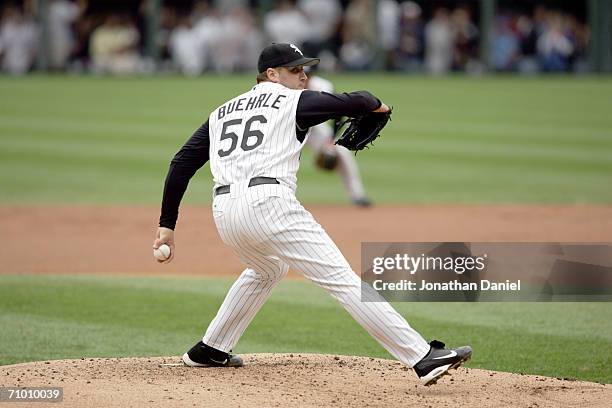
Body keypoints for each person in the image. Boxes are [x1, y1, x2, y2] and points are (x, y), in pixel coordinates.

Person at [153, 43, 472, 386]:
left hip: (225, 212)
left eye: (305, 68)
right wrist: (381, 107)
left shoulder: (222, 112)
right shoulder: (293, 101)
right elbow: (362, 100)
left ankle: (211, 348)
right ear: (271, 75)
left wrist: (166, 225)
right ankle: (422, 357)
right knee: (343, 280)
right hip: (270, 204)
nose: (304, 75)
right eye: (295, 70)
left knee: (268, 267)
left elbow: (181, 163)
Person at [304, 71, 372, 206]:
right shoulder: (286, 86)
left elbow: (339, 112)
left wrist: (331, 139)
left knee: (342, 152)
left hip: (314, 130)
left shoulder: (322, 86)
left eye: (306, 74)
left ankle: (358, 196)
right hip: (290, 129)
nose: (303, 77)